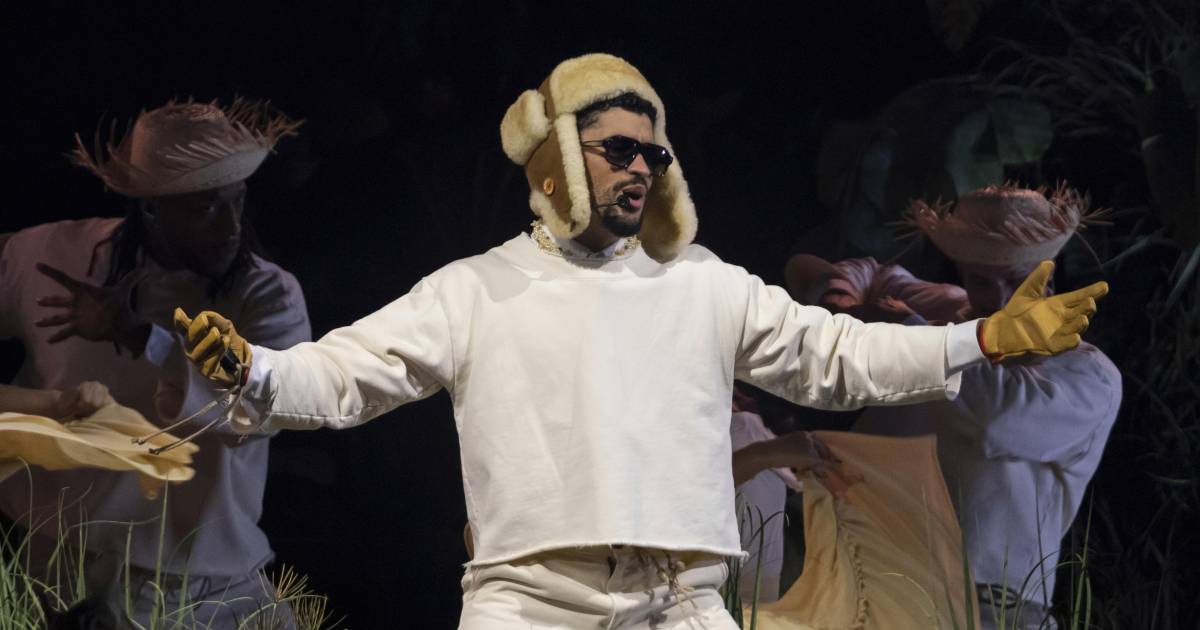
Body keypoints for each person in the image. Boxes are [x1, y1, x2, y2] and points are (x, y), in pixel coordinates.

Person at [174, 55, 1107, 629]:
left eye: (653, 153)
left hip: (680, 603)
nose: (641, 167)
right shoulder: (477, 289)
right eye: (616, 148)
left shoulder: (702, 285)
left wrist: (978, 341)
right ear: (555, 162)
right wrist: (256, 371)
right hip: (531, 602)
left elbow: (839, 358)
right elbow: (349, 374)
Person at [0, 98, 310, 628]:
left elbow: (257, 412)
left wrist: (144, 337)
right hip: (57, 565)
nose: (231, 226)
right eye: (205, 208)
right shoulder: (52, 255)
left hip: (199, 580)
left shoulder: (267, 295)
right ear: (150, 209)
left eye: (237, 201)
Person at [786, 184, 1122, 629]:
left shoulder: (1086, 373)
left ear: (1048, 276)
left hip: (988, 603)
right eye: (981, 281)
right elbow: (829, 268)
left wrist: (908, 329)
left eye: (1017, 281)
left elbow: (993, 419)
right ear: (963, 272)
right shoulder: (950, 310)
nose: (999, 299)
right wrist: (841, 303)